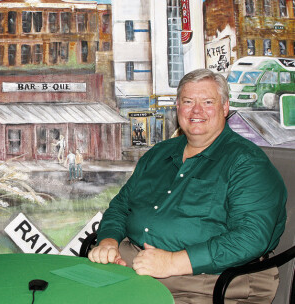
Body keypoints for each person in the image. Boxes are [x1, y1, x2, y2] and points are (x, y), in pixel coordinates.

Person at [88, 69, 287, 303]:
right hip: (132, 264)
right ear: (177, 107)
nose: (196, 110)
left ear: (225, 107)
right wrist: (109, 241)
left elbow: (251, 237)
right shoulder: (158, 154)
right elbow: (121, 207)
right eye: (188, 101)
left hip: (209, 281)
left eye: (208, 102)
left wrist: (172, 262)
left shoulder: (247, 163)